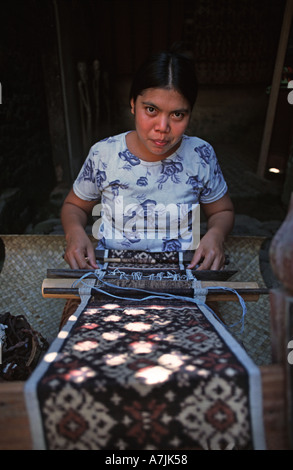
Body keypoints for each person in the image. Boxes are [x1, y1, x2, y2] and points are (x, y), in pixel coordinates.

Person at [61, 51, 234, 272]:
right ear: (133, 104)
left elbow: (222, 211)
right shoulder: (104, 154)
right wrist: (75, 233)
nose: (162, 127)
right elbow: (74, 206)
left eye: (178, 115)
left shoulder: (200, 155)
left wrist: (216, 235)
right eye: (151, 110)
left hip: (182, 274)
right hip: (111, 274)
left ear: (190, 113)